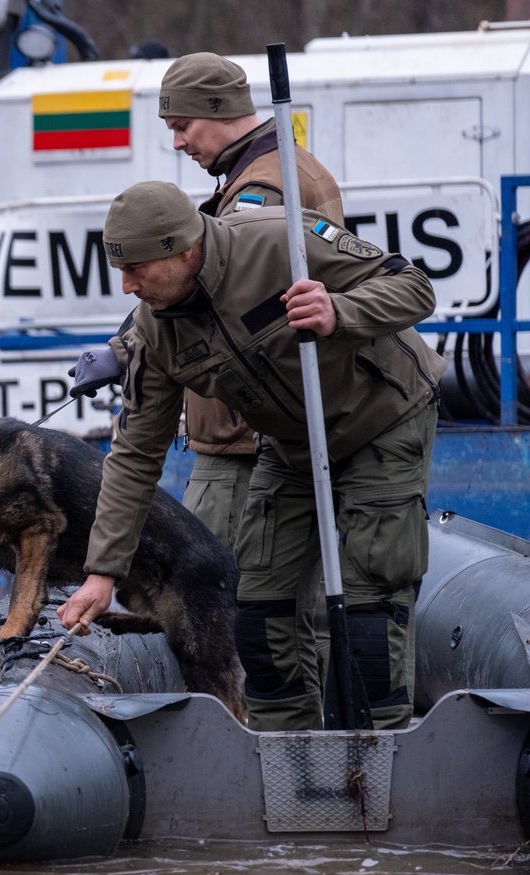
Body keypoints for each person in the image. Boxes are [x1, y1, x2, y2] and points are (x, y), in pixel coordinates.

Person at [58, 181, 443, 732]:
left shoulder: (281, 240)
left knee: (369, 606)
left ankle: (379, 750)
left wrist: (340, 309)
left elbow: (413, 288)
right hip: (289, 443)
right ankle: (287, 745)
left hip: (381, 418)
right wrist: (102, 571)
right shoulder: (154, 332)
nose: (127, 286)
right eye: (120, 270)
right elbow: (135, 456)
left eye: (136, 269)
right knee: (257, 607)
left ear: (183, 250)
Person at [158, 51, 343, 550]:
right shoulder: (291, 165)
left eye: (183, 126)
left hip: (242, 439)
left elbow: (224, 301)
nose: (178, 143)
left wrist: (137, 347)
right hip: (269, 423)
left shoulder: (260, 189)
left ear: (218, 109)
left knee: (216, 579)